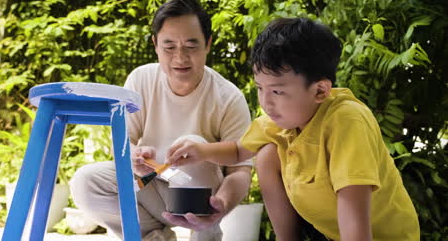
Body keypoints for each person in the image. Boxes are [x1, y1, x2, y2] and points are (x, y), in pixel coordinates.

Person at [166, 17, 420, 241]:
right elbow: (236, 151)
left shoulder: (347, 121)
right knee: (267, 154)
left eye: (277, 91)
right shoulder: (280, 120)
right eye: (260, 88)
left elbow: (355, 222)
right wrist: (200, 151)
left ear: (320, 90)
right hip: (331, 233)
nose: (266, 101)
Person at [70, 0, 252, 241]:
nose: (180, 57)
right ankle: (155, 237)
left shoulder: (228, 97)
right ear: (155, 44)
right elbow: (123, 144)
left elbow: (240, 172)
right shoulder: (140, 80)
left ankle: (206, 234)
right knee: (86, 181)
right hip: (151, 183)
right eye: (169, 47)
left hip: (200, 195)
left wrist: (222, 203)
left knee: (191, 142)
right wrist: (132, 156)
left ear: (208, 44)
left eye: (191, 46)